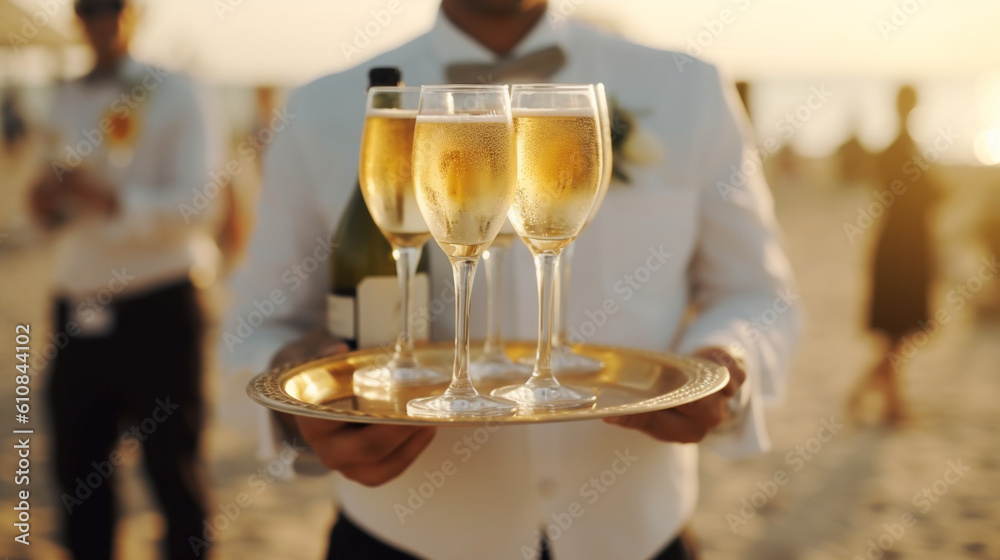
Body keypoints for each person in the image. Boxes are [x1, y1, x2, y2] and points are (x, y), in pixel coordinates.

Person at [226, 1, 800, 558]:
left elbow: (758, 293)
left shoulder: (687, 88)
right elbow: (254, 326)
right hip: (398, 539)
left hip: (638, 535)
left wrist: (724, 362)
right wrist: (296, 410)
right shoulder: (321, 107)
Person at [29, 0, 220, 557]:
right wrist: (45, 203)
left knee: (174, 473)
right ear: (76, 18)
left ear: (134, 13)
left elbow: (201, 207)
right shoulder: (63, 95)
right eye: (88, 7)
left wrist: (113, 202)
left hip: (157, 304)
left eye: (110, 6)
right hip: (75, 304)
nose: (99, 18)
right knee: (77, 476)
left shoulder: (179, 92)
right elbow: (53, 214)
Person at [849, 85, 941, 425]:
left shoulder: (896, 148)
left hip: (900, 242)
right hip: (903, 246)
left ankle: (884, 398)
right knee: (899, 328)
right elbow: (919, 195)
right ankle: (881, 399)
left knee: (900, 329)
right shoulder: (900, 150)